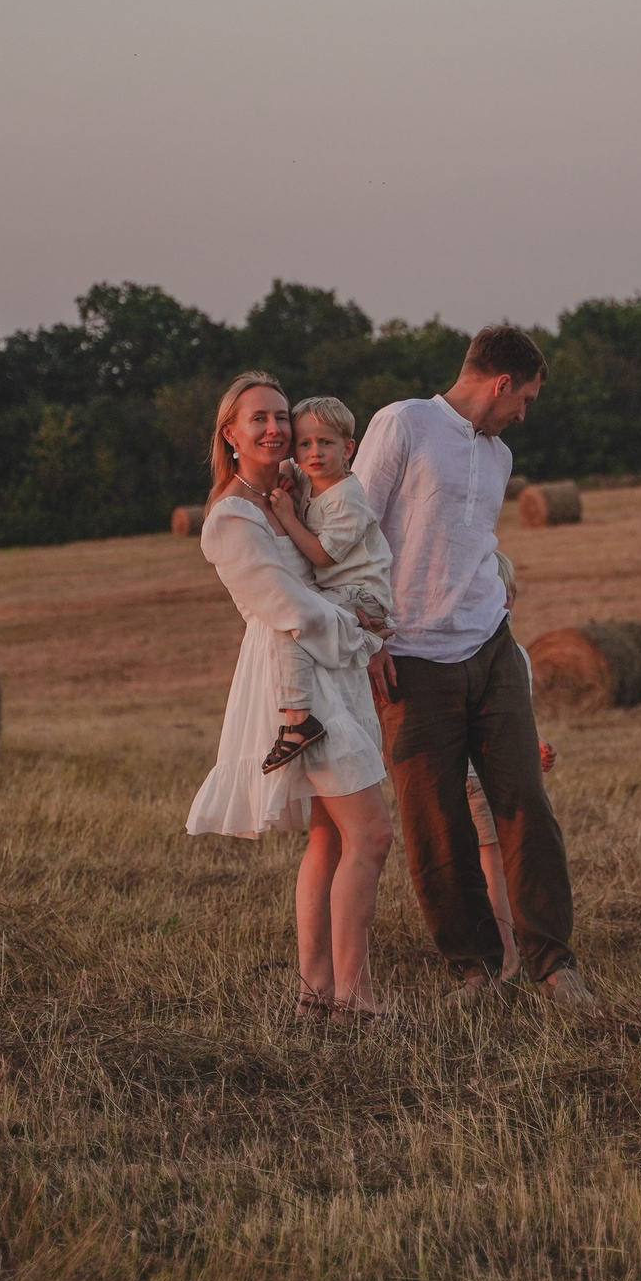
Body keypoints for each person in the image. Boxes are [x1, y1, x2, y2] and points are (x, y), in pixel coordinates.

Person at [357, 326, 597, 1010]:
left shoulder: (499, 456)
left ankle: (554, 964)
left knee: (526, 800)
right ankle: (476, 971)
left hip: (490, 644)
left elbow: (471, 541)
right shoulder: (404, 422)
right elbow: (356, 528)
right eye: (524, 398)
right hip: (411, 656)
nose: (523, 412)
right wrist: (369, 633)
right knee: (434, 821)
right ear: (499, 383)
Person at [183, 372, 400, 1021]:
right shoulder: (229, 517)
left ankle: (316, 997)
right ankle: (354, 998)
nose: (276, 428)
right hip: (295, 682)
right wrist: (362, 632)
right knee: (373, 833)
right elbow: (285, 606)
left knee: (331, 840)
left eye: (282, 415)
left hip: (328, 670)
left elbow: (339, 556)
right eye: (259, 419)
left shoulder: (288, 490)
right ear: (230, 433)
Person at [250, 396, 393, 774]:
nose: (314, 453)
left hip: (362, 592)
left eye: (326, 443)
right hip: (338, 591)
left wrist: (285, 513)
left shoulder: (349, 499)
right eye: (305, 444)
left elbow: (322, 555)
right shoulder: (305, 476)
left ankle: (299, 720)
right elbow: (270, 466)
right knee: (294, 614)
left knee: (295, 619)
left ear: (348, 448)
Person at [466, 549, 557, 981]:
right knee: (493, 865)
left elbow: (510, 716)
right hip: (475, 774)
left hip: (486, 768)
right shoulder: (484, 655)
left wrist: (534, 742)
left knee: (495, 861)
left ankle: (499, 953)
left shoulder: (515, 657)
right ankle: (506, 959)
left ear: (511, 599)